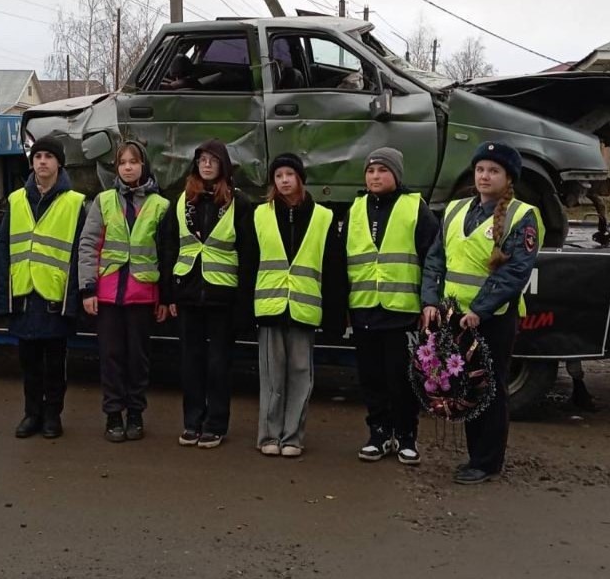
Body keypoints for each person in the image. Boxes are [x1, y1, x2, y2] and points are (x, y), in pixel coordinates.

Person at [421, 142, 543, 485]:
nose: (485, 176)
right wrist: (431, 300)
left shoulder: (522, 215)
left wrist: (479, 309)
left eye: (493, 171)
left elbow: (516, 271)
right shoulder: (456, 209)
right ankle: (475, 455)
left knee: (490, 388)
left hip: (492, 318)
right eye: (480, 169)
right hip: (453, 315)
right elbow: (435, 260)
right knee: (465, 387)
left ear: (508, 178)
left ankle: (487, 461)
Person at [157, 139, 257, 448]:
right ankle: (192, 423)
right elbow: (169, 248)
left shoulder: (240, 204)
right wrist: (168, 295)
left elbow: (249, 255)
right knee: (190, 363)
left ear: (223, 165)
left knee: (218, 365)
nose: (207, 164)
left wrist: (244, 305)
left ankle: (216, 423)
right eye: (202, 159)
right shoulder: (181, 202)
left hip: (222, 297)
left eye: (213, 159)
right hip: (187, 295)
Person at [344, 147, 439, 465]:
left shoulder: (415, 208)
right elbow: (343, 261)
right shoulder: (356, 208)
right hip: (364, 308)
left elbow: (432, 259)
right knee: (371, 378)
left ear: (396, 175)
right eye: (370, 171)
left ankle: (407, 437)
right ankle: (379, 434)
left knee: (401, 379)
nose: (375, 176)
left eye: (382, 171)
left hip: (401, 310)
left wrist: (430, 301)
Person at [245, 154, 344, 458]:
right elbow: (249, 264)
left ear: (300, 178)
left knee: (301, 375)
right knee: (271, 375)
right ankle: (268, 435)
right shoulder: (259, 214)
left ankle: (293, 437)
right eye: (278, 175)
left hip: (304, 308)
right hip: (270, 306)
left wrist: (335, 317)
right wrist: (244, 311)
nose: (284, 180)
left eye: (290, 174)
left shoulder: (323, 217)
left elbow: (334, 269)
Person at [0, 137, 87, 439]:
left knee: (55, 363)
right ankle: (31, 413)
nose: (42, 161)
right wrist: (2, 295)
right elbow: (3, 248)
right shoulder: (16, 199)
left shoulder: (75, 203)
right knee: (28, 362)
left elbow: (79, 254)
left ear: (59, 163)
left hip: (54, 296)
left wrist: (74, 296)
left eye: (49, 156)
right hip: (23, 293)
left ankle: (52, 415)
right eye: (38, 156)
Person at [77, 141, 170, 442]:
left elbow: (166, 254)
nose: (128, 167)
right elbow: (89, 246)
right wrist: (88, 289)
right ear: (116, 168)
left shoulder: (160, 205)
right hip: (107, 295)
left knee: (138, 359)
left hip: (142, 295)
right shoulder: (103, 201)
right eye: (122, 163)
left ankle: (136, 413)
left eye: (134, 162)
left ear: (144, 166)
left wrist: (163, 297)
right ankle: (114, 414)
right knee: (111, 356)